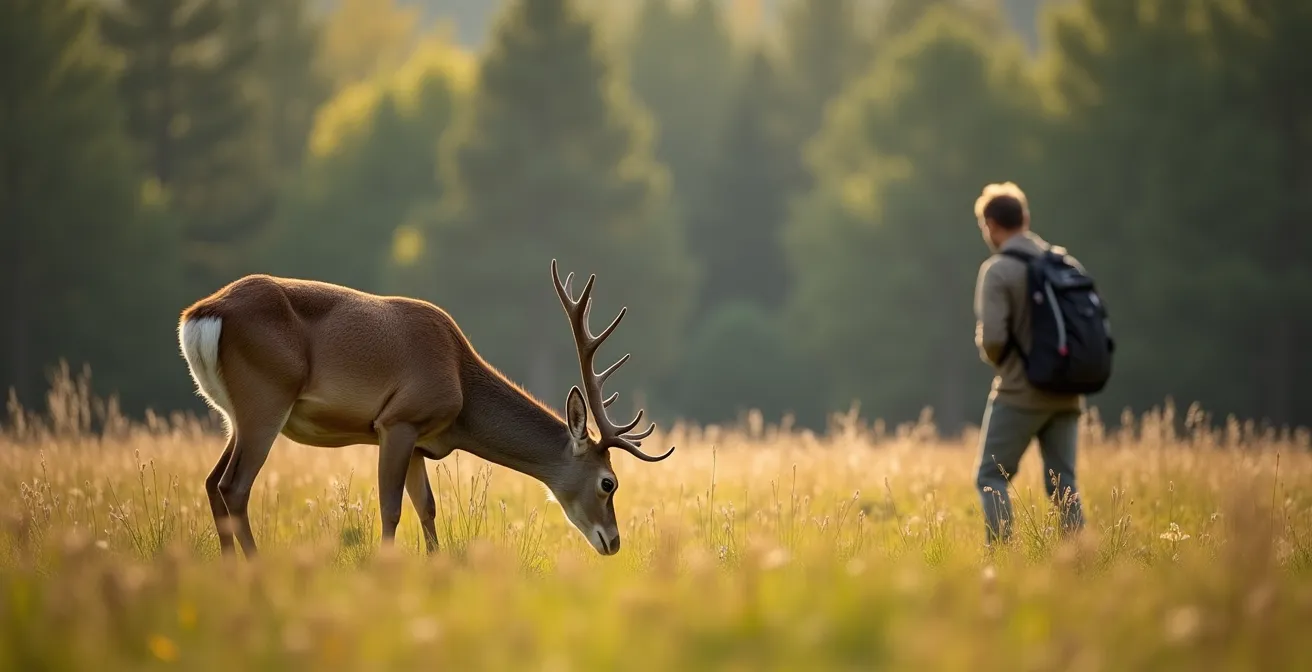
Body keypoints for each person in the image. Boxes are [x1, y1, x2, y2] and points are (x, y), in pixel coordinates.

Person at [971, 181, 1086, 546]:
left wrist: (999, 362)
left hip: (1020, 392)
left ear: (990, 224)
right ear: (1025, 218)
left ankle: (1003, 556)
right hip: (1068, 392)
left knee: (991, 476)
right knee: (1063, 485)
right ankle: (1082, 561)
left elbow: (993, 338)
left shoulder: (998, 270)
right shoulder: (1065, 263)